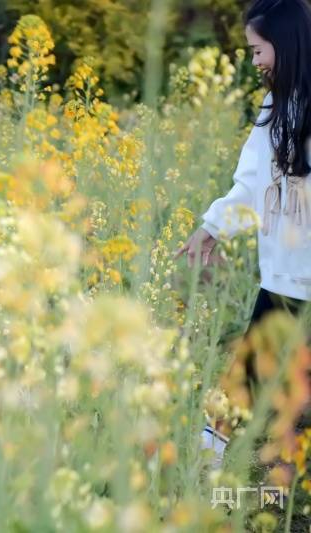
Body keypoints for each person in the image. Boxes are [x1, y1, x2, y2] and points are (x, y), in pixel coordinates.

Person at [176, 0, 311, 469]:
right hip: (288, 269)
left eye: (258, 51)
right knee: (253, 362)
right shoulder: (277, 105)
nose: (255, 63)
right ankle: (208, 450)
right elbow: (252, 179)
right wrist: (212, 227)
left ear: (287, 43)